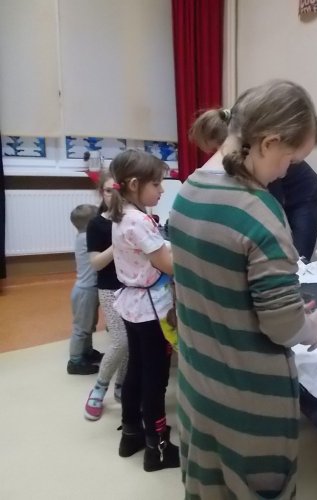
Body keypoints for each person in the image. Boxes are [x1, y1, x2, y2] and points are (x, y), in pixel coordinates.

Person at [173, 79, 317, 499]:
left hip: (198, 385)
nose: (285, 172)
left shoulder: (188, 191)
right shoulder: (259, 211)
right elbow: (282, 328)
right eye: (290, 160)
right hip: (248, 401)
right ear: (268, 143)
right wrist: (309, 326)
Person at [109, 149, 179, 472]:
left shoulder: (122, 214)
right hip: (151, 310)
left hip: (132, 306)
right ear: (135, 184)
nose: (162, 190)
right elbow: (167, 264)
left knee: (137, 369)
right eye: (156, 184)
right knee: (156, 378)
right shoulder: (139, 221)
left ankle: (132, 434)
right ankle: (158, 448)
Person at [82, 171, 129, 421]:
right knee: (121, 341)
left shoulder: (131, 219)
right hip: (110, 288)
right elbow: (96, 263)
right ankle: (99, 388)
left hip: (133, 288)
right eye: (108, 190)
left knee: (132, 341)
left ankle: (122, 384)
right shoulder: (96, 224)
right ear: (102, 193)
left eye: (117, 190)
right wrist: (117, 244)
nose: (113, 195)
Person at [66, 204, 103, 375]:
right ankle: (75, 361)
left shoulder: (83, 235)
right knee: (81, 328)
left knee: (89, 325)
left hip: (88, 290)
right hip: (85, 291)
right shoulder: (86, 238)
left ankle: (86, 352)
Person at [267, 160, 317, 259]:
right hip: (286, 195)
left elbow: (275, 204)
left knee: (298, 257)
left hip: (308, 197)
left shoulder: (267, 163)